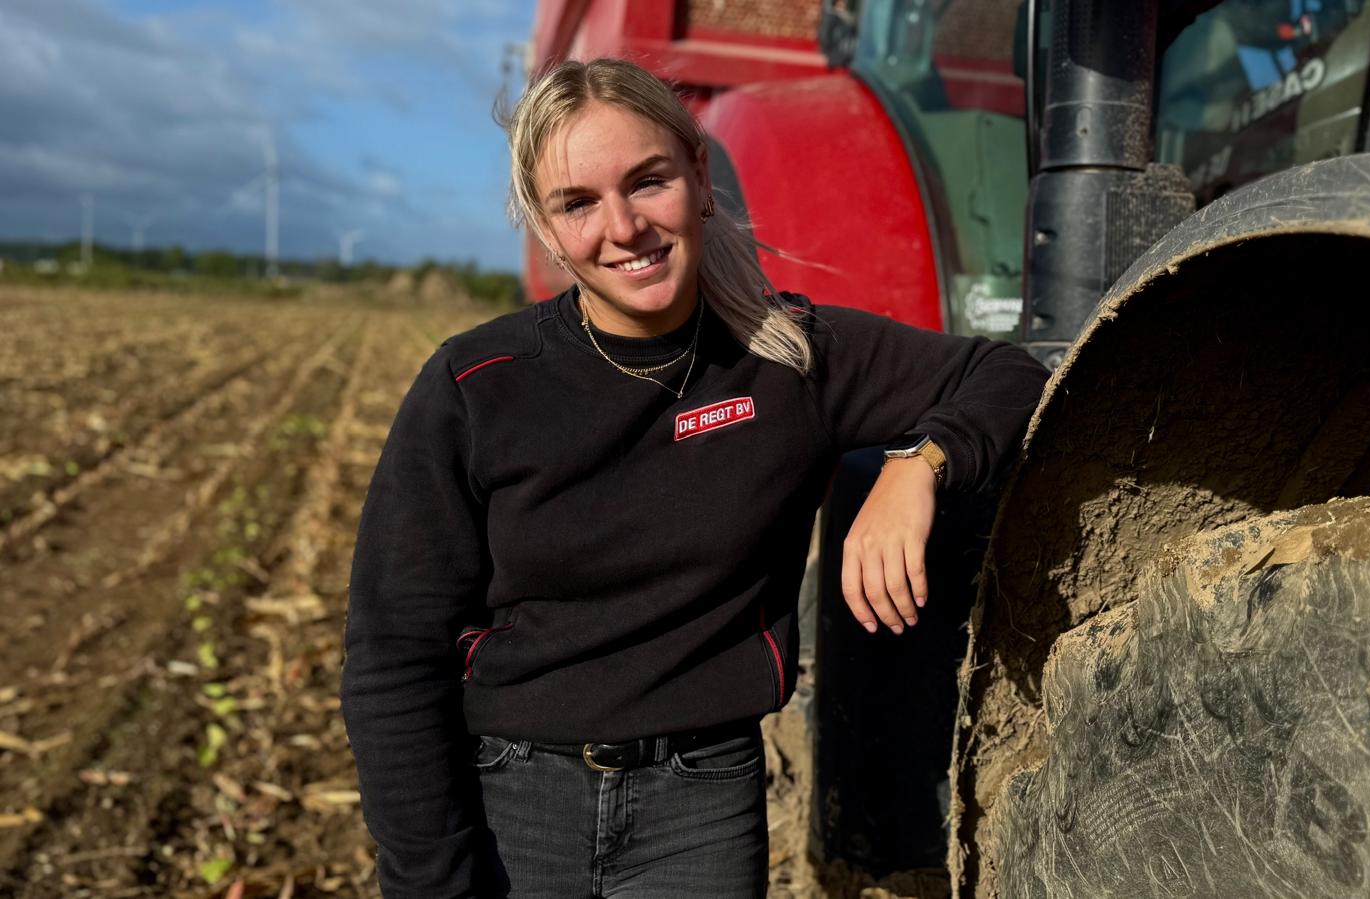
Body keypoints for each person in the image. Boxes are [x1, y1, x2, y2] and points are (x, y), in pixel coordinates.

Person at [340, 57, 1048, 899]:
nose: (625, 227)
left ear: (701, 176)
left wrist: (916, 465)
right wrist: (429, 879)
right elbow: (392, 657)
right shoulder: (476, 386)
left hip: (701, 808)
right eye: (579, 203)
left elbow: (1008, 374)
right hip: (515, 804)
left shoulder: (790, 360)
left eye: (648, 182)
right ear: (544, 224)